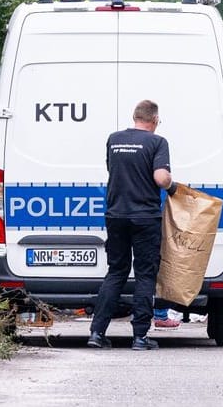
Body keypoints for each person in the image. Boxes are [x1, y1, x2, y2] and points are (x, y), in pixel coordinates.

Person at [88, 100, 177, 351]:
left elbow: (112, 170)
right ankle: (140, 337)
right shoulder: (157, 142)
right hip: (145, 217)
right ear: (155, 120)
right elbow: (161, 177)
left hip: (115, 215)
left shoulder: (114, 139)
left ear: (134, 116)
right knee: (145, 275)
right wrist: (172, 187)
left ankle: (97, 332)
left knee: (116, 272)